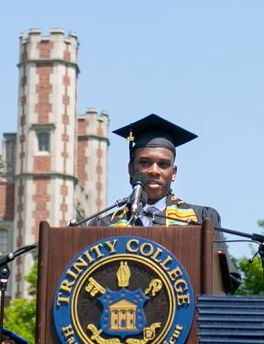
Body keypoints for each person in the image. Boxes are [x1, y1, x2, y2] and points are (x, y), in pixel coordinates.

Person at [89, 113, 241, 292]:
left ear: (174, 173)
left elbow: (226, 280)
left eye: (163, 164)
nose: (154, 171)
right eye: (145, 163)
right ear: (131, 169)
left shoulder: (200, 219)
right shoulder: (104, 225)